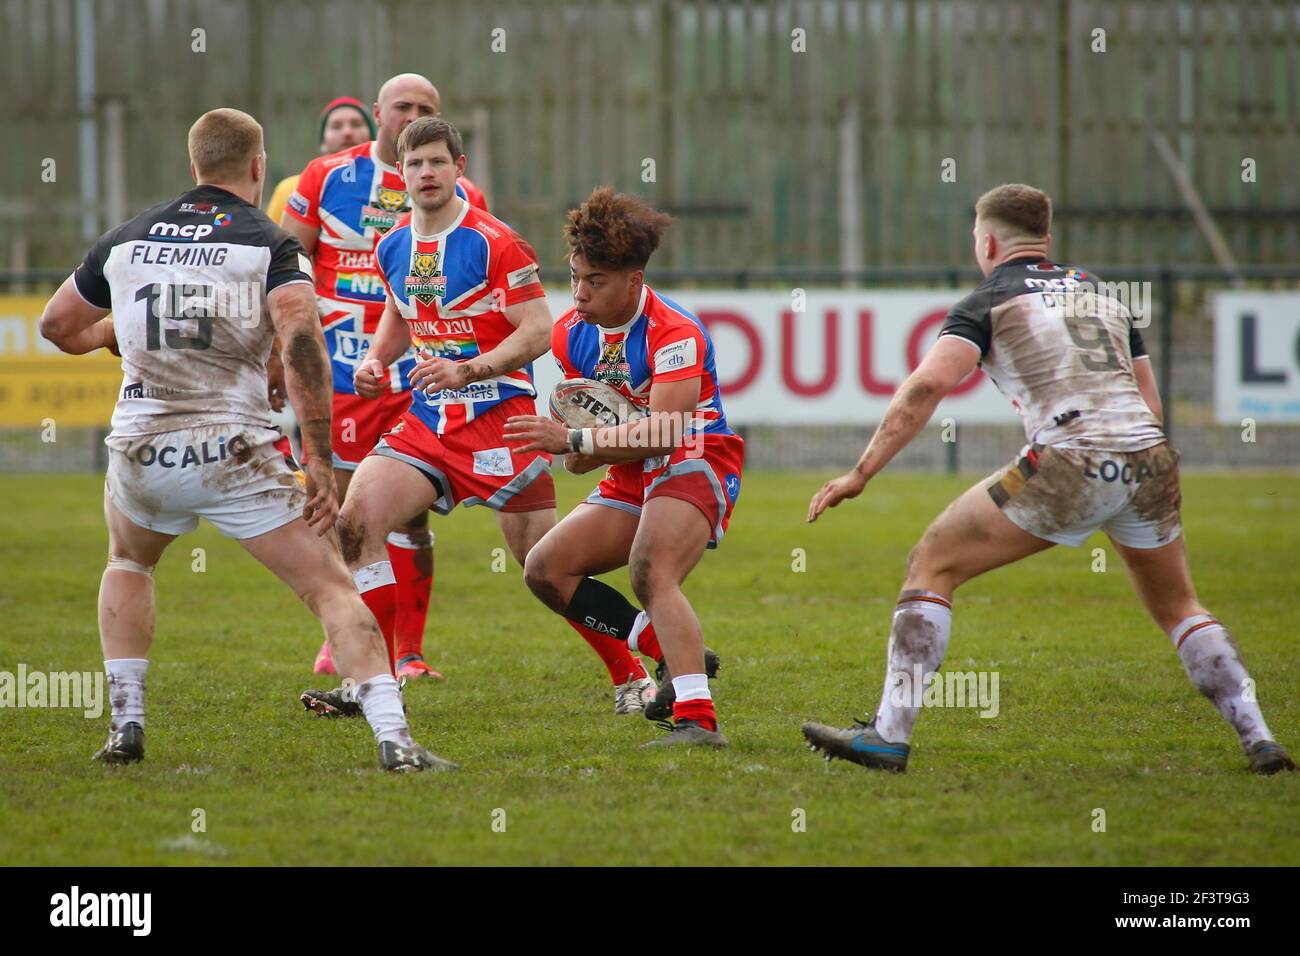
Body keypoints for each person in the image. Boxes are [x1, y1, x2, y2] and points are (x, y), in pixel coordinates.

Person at [801, 183, 1295, 776]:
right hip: (1150, 457)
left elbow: (926, 388)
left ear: (986, 240)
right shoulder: (1104, 297)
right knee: (1179, 605)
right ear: (1047, 240)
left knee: (931, 563)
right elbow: (1149, 402)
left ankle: (887, 736)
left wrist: (861, 472)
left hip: (1070, 457)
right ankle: (1260, 737)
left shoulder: (985, 302)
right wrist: (1118, 488)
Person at [37, 107, 453, 772]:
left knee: (129, 562)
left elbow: (57, 324)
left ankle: (127, 727)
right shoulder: (268, 241)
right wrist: (318, 458)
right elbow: (302, 342)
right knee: (331, 588)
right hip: (231, 451)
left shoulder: (129, 237)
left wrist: (108, 336)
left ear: (192, 166)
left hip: (142, 448)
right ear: (259, 168)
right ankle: (394, 740)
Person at [298, 117, 556, 717]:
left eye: (437, 162)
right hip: (429, 420)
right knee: (358, 521)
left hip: (500, 417)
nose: (426, 173)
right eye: (415, 164)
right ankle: (375, 679)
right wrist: (375, 359)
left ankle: (635, 669)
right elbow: (399, 310)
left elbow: (539, 330)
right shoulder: (391, 244)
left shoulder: (496, 240)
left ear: (458, 168)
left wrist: (467, 370)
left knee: (547, 569)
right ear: (402, 172)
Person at [504, 186, 743, 745]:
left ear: (633, 281)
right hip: (634, 470)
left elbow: (664, 429)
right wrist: (572, 448)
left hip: (694, 457)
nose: (579, 292)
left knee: (650, 568)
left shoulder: (675, 333)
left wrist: (574, 440)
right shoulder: (569, 335)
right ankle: (663, 647)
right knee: (544, 570)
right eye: (575, 276)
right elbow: (591, 450)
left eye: (595, 281)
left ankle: (698, 720)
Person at [280, 74, 489, 680]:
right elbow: (288, 264)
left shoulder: (459, 191)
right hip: (340, 370)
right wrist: (280, 351)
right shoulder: (324, 178)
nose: (412, 115)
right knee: (342, 507)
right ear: (377, 113)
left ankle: (410, 652)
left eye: (426, 109)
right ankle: (344, 632)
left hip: (418, 374)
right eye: (402, 107)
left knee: (409, 514)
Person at [264, 96, 376, 225]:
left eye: (356, 124)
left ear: (373, 138)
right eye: (336, 126)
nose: (347, 132)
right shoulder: (290, 188)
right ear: (323, 143)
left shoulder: (391, 183)